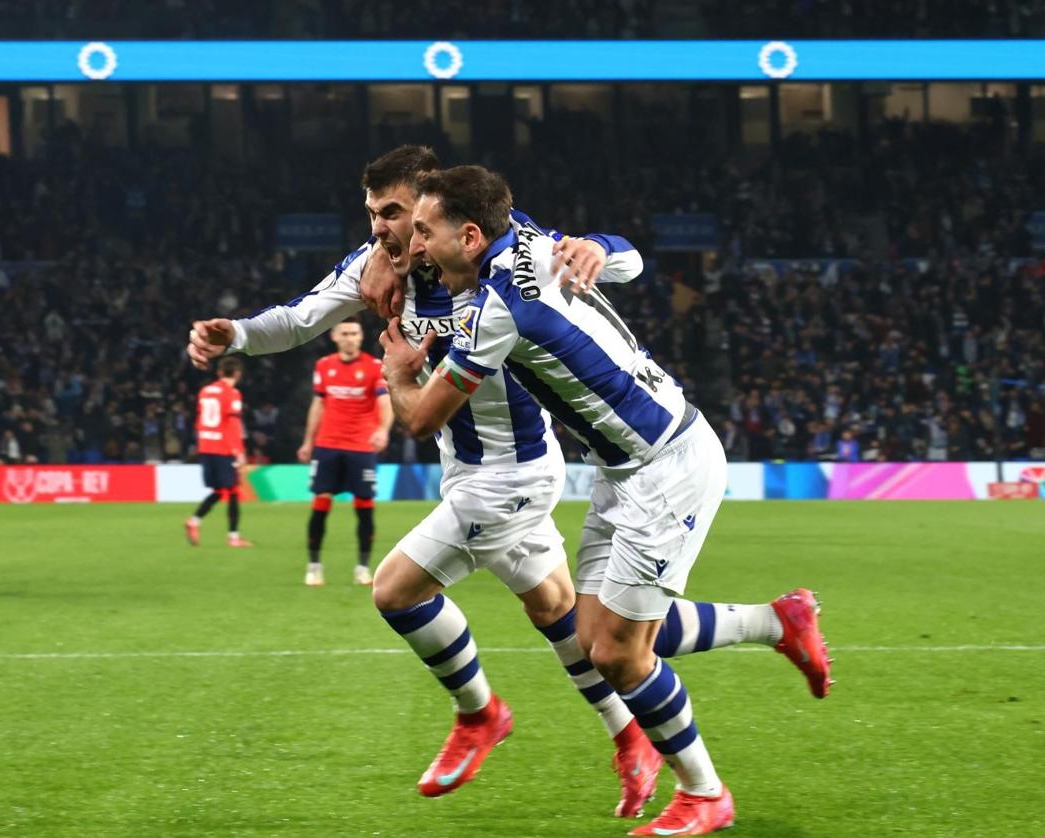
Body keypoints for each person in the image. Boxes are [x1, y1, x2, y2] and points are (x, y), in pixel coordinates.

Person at [186, 147, 829, 820]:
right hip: (572, 466)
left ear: (439, 212)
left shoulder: (494, 276)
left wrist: (594, 247)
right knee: (582, 627)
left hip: (519, 472)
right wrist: (235, 336)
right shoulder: (395, 262)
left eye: (397, 215)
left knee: (406, 591)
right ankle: (751, 640)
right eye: (372, 215)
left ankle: (524, 729)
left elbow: (608, 266)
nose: (381, 229)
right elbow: (296, 318)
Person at [379, 164, 832, 836]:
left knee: (620, 654)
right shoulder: (530, 239)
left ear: (470, 236)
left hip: (669, 465)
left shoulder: (493, 310)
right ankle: (779, 622)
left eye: (424, 231)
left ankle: (705, 794)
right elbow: (628, 256)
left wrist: (394, 374)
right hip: (623, 472)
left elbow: (419, 421)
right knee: (600, 641)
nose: (414, 247)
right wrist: (601, 245)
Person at [295, 317, 393, 587]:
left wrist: (383, 430)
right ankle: (314, 566)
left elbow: (385, 402)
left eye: (355, 333)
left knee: (364, 509)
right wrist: (307, 441)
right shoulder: (324, 366)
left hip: (361, 447)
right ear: (335, 337)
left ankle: (362, 567)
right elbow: (317, 405)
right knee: (320, 505)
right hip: (327, 445)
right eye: (345, 333)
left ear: (361, 337)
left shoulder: (374, 367)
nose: (350, 337)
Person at [186, 356, 252, 548]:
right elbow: (233, 424)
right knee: (232, 491)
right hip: (223, 448)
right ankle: (233, 537)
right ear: (238, 374)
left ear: (219, 372)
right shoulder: (232, 394)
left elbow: (199, 422)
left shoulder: (205, 391)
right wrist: (239, 452)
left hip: (206, 447)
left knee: (218, 491)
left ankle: (194, 521)